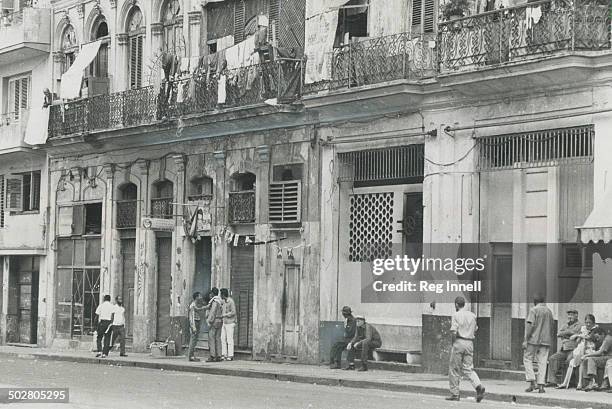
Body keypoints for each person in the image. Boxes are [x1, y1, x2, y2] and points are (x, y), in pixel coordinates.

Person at [446, 296, 485, 402]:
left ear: (456, 305)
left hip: (459, 341)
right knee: (468, 368)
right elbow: (476, 329)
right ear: (464, 304)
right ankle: (478, 386)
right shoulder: (473, 315)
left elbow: (454, 331)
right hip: (470, 343)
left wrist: (453, 343)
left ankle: (455, 394)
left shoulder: (456, 315)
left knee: (454, 368)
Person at [557, 313, 598, 389]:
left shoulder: (595, 329)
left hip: (591, 350)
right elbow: (576, 341)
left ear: (593, 323)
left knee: (581, 360)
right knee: (572, 362)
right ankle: (565, 383)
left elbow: (589, 337)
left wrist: (578, 335)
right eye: (586, 322)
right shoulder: (583, 328)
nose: (588, 324)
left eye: (590, 323)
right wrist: (579, 337)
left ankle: (580, 383)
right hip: (581, 349)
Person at [523, 294, 554, 393]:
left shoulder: (533, 310)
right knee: (543, 362)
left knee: (527, 359)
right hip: (545, 340)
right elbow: (552, 326)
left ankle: (532, 381)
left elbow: (530, 326)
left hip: (533, 340)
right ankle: (541, 386)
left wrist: (525, 340)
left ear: (535, 301)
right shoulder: (549, 311)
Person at [546, 309, 581, 387]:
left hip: (573, 349)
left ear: (576, 316)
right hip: (564, 349)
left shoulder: (579, 325)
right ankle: (552, 381)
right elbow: (558, 334)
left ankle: (567, 382)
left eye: (571, 315)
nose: (569, 317)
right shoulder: (566, 324)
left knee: (569, 361)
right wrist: (568, 334)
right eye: (568, 315)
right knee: (552, 358)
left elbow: (574, 333)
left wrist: (566, 334)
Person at [579, 327, 612, 391]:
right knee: (587, 360)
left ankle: (593, 382)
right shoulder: (605, 339)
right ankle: (591, 381)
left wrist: (586, 355)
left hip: (609, 358)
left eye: (598, 337)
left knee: (591, 359)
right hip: (606, 357)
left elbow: (600, 352)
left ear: (602, 334)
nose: (597, 339)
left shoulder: (607, 339)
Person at [207, 287, 224, 362]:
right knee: (218, 338)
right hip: (220, 320)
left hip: (214, 321)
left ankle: (213, 355)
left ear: (213, 293)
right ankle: (219, 355)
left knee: (211, 338)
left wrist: (209, 321)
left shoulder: (214, 301)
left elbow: (212, 312)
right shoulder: (220, 301)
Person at [187, 292, 205, 362]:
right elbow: (191, 317)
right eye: (200, 296)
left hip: (197, 323)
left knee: (194, 340)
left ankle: (192, 355)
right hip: (194, 324)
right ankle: (191, 356)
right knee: (193, 340)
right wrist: (193, 327)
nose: (201, 297)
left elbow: (199, 309)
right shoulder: (193, 305)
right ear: (196, 297)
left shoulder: (195, 305)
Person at [220, 288, 236, 361]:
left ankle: (230, 355)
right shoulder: (223, 302)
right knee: (223, 338)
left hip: (230, 322)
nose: (220, 295)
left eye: (221, 294)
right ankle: (224, 354)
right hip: (224, 322)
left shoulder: (231, 301)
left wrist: (225, 315)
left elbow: (233, 312)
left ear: (223, 294)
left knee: (229, 339)